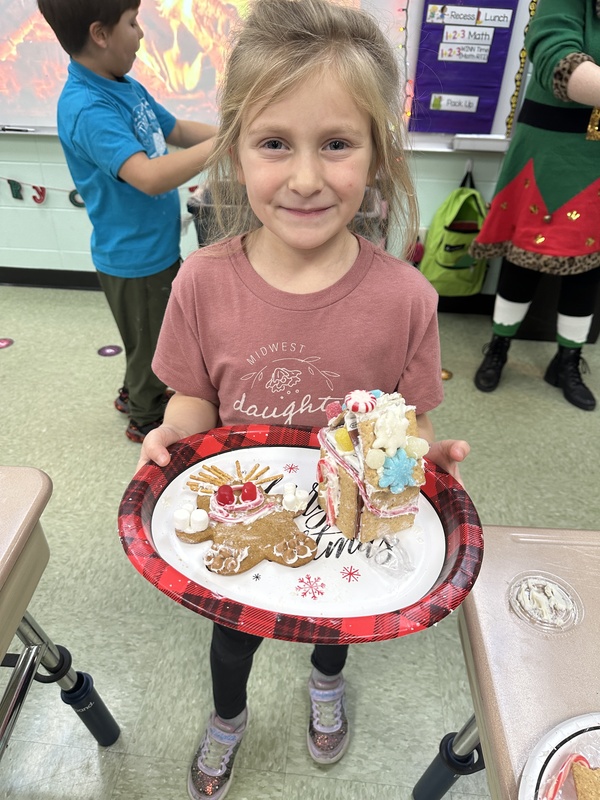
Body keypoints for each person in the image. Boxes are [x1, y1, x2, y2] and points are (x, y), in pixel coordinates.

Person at [137, 0, 469, 796]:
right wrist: (169, 441)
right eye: (275, 143)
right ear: (236, 149)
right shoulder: (203, 282)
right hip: (241, 515)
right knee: (233, 640)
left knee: (333, 628)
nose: (308, 178)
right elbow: (191, 405)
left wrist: (425, 458)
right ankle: (227, 718)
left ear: (378, 153)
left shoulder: (406, 299)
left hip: (345, 531)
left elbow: (411, 426)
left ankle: (326, 682)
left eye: (338, 144)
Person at [37, 0, 217, 441]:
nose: (141, 34)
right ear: (100, 34)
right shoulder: (87, 108)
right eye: (133, 23)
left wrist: (239, 130)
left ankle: (134, 389)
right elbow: (150, 177)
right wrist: (229, 146)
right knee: (154, 342)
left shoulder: (124, 86)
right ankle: (146, 416)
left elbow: (174, 130)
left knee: (149, 335)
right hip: (133, 260)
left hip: (153, 247)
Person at [471, 0, 600, 411]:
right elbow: (554, 55)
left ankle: (567, 361)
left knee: (589, 265)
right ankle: (499, 347)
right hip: (549, 148)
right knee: (524, 255)